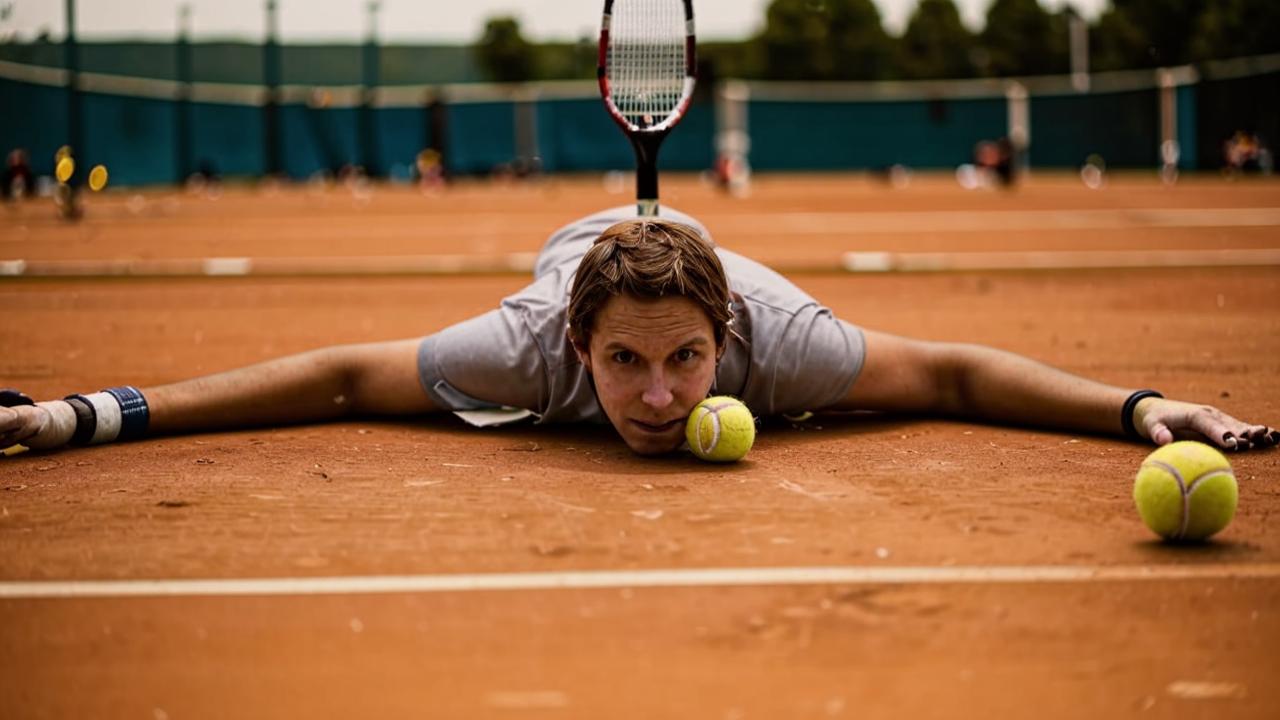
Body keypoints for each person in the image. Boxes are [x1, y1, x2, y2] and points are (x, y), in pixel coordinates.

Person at [2, 207, 1277, 457]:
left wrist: (1135, 407)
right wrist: (84, 413)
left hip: (719, 267)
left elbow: (947, 369)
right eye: (624, 362)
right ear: (575, 353)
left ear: (724, 341)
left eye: (683, 358)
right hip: (578, 242)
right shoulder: (518, 346)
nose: (660, 398)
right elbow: (340, 378)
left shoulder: (788, 346)